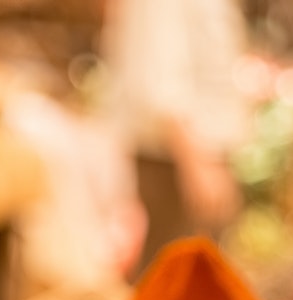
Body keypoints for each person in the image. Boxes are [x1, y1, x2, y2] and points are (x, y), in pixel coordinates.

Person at [100, 0, 248, 274]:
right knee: (171, 280)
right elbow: (160, 83)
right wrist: (197, 162)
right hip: (174, 160)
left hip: (194, 157)